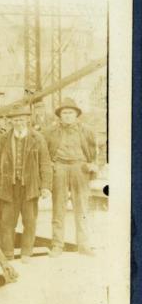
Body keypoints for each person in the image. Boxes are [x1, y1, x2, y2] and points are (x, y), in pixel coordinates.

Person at [0, 106, 52, 262]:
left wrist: (45, 186)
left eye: (21, 119)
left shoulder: (37, 138)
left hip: (30, 186)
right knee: (6, 221)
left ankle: (26, 253)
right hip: (8, 186)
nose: (18, 122)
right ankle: (8, 254)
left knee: (29, 220)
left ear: (27, 120)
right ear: (11, 121)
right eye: (15, 120)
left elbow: (45, 163)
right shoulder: (4, 139)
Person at [44, 98, 98, 256]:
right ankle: (57, 245)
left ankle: (83, 244)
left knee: (81, 206)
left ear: (76, 115)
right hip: (59, 167)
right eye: (64, 113)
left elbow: (96, 150)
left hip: (79, 167)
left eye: (70, 112)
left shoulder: (86, 131)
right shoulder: (50, 131)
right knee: (58, 207)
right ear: (59, 115)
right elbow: (43, 151)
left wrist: (93, 164)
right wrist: (50, 164)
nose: (67, 115)